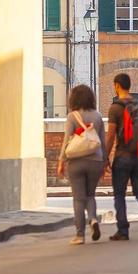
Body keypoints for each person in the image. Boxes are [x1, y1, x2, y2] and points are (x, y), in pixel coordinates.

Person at [104, 73, 138, 240]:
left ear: (117, 86)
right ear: (129, 86)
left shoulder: (115, 108)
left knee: (119, 194)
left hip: (122, 156)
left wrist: (105, 157)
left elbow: (111, 136)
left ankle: (123, 230)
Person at [56, 84, 105, 245]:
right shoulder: (97, 116)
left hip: (76, 162)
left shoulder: (72, 116)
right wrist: (104, 163)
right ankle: (93, 219)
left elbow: (66, 140)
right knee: (90, 195)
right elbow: (102, 143)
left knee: (78, 199)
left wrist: (61, 161)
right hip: (95, 160)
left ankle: (79, 235)